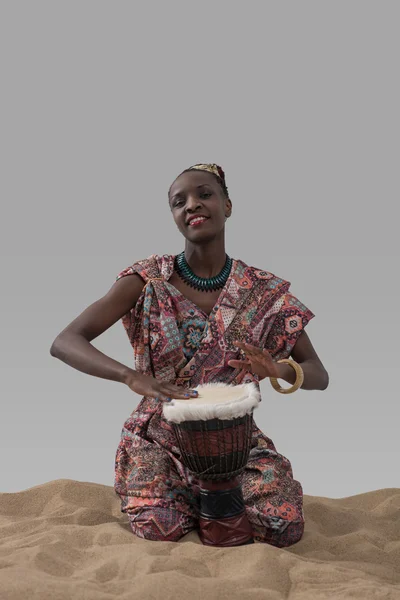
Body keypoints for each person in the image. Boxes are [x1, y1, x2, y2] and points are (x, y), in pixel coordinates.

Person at [50, 163, 329, 548]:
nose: (192, 205)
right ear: (175, 217)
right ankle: (188, 501)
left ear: (228, 205)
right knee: (158, 527)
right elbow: (66, 341)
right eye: (179, 202)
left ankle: (207, 502)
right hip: (158, 433)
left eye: (204, 194)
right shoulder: (148, 279)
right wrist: (130, 377)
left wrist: (278, 368)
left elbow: (320, 374)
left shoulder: (264, 292)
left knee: (283, 525)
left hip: (235, 439)